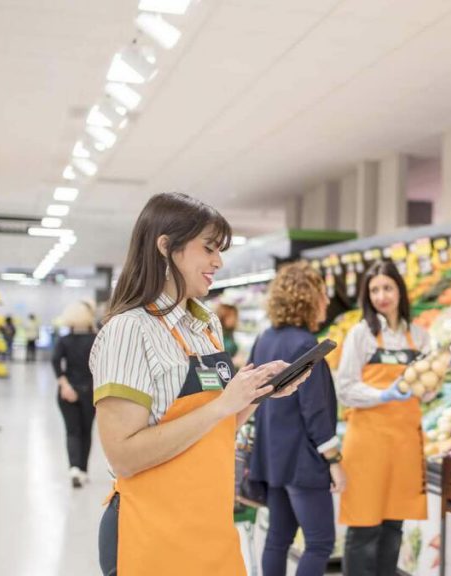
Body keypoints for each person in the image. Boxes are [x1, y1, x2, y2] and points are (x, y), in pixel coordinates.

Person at [91, 192, 308, 576]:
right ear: (166, 247)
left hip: (210, 529)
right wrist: (223, 405)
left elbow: (213, 430)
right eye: (208, 248)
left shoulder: (204, 324)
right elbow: (123, 456)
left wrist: (256, 395)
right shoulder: (128, 331)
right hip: (152, 535)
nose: (218, 262)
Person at [249, 262, 345, 576]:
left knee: (278, 538)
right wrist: (334, 460)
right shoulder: (306, 346)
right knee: (319, 542)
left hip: (272, 457)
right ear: (307, 298)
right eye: (322, 294)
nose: (327, 302)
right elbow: (315, 411)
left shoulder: (264, 339)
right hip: (303, 460)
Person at [336, 260, 429, 576]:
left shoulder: (419, 336)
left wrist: (436, 377)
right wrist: (381, 395)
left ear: (399, 290)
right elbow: (345, 388)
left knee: (394, 525)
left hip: (404, 443)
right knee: (364, 528)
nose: (381, 295)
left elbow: (427, 393)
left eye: (387, 287)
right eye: (374, 289)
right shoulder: (360, 335)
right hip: (367, 442)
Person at [51, 300, 98, 488]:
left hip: (67, 391)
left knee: (72, 431)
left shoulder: (64, 340)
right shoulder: (96, 339)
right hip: (90, 391)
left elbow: (56, 363)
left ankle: (74, 468)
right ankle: (84, 470)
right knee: (86, 431)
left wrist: (65, 385)